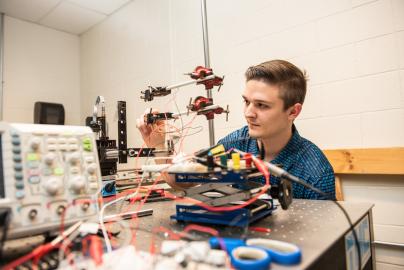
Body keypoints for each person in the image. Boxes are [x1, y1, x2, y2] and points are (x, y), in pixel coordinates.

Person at [137, 59, 335, 199]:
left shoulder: (315, 173)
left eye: (262, 105)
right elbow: (180, 180)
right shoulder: (234, 143)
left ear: (293, 112)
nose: (249, 113)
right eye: (246, 101)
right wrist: (158, 145)